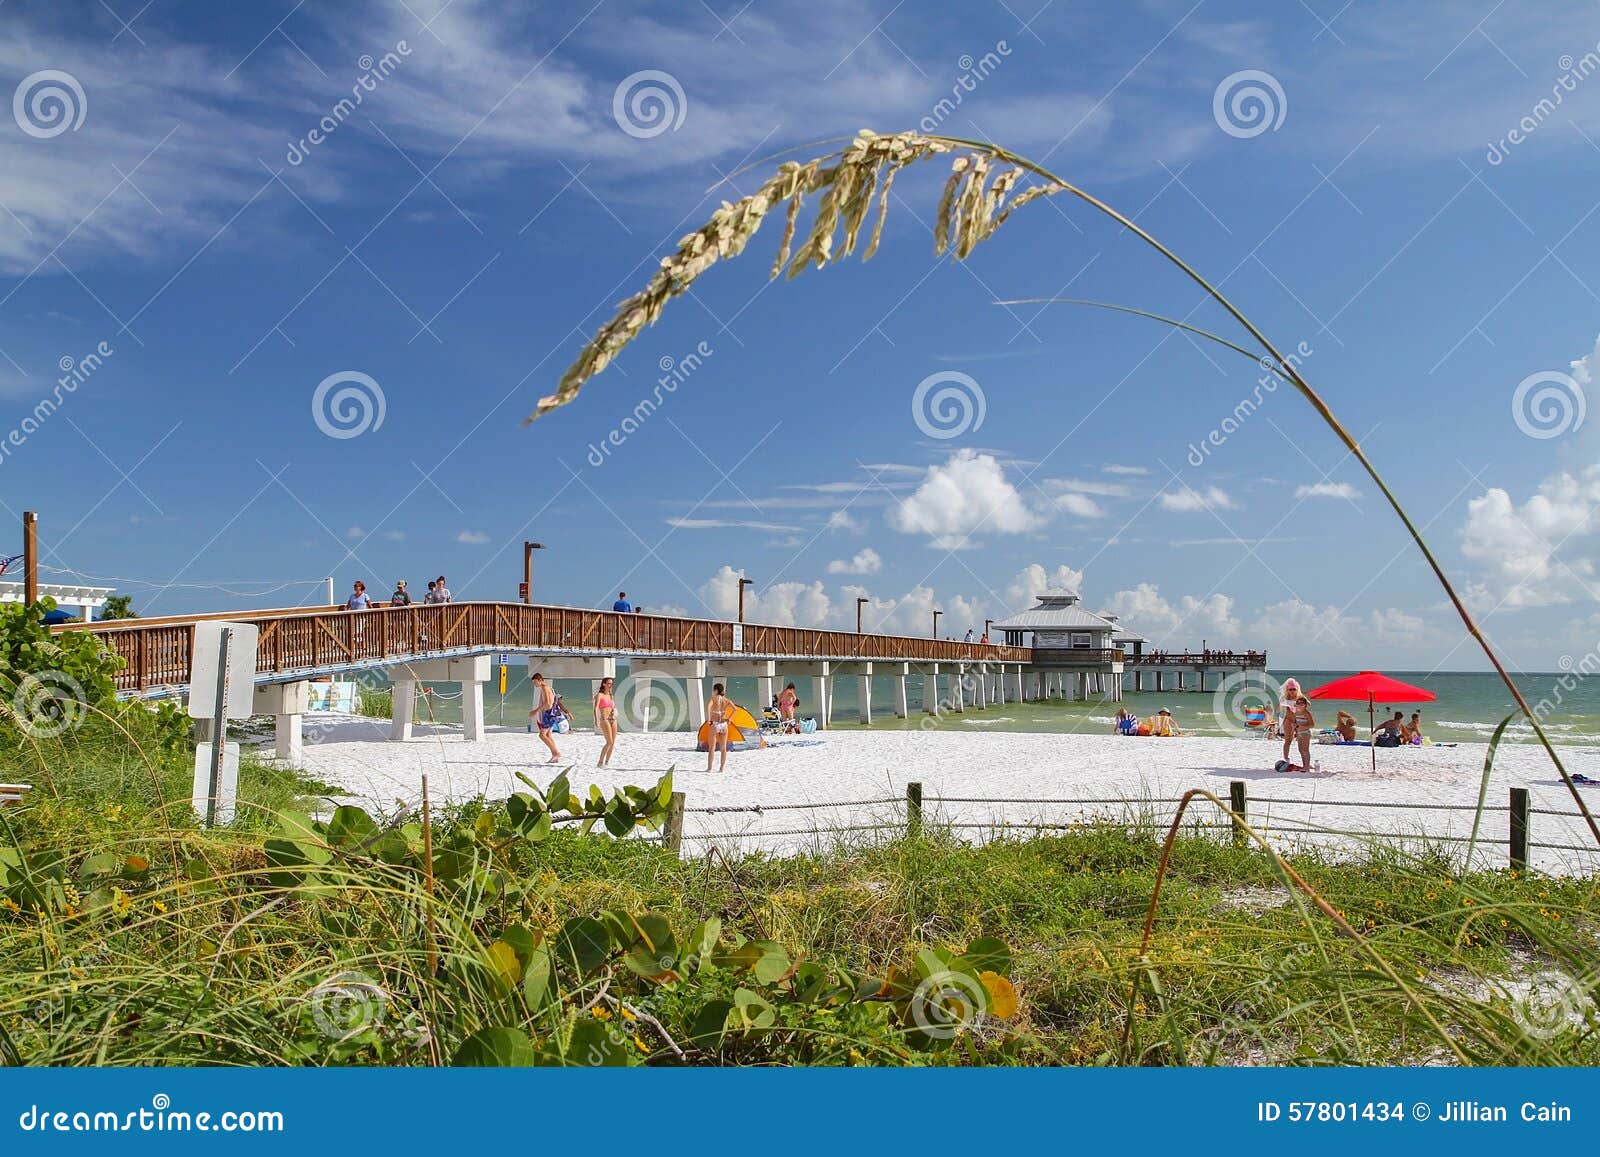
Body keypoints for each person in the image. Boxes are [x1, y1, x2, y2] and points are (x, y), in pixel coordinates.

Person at [528, 672, 562, 764]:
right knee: (548, 735)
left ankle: (556, 753)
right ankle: (555, 756)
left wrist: (535, 711)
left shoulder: (545, 688)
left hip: (549, 714)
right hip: (551, 713)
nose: (535, 685)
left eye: (535, 682)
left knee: (542, 735)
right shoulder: (547, 687)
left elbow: (548, 703)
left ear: (540, 680)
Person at [705, 682, 734, 773]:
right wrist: (729, 719)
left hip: (715, 724)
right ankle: (721, 768)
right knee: (723, 748)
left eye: (714, 690)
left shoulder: (713, 699)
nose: (713, 692)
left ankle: (710, 768)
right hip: (724, 725)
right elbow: (735, 709)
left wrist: (709, 719)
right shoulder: (727, 700)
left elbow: (708, 707)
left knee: (712, 748)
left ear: (716, 690)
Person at [1286, 691, 1315, 771]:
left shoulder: (1307, 713)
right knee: (1300, 749)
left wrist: (1302, 727)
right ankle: (1305, 765)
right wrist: (1294, 725)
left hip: (1306, 733)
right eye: (1298, 703)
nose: (1300, 705)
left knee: (1305, 749)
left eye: (1302, 704)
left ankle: (1307, 766)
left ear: (1305, 705)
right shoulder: (1296, 713)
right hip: (1299, 733)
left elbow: (1312, 725)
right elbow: (1296, 722)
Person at [593, 676, 618, 768]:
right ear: (604, 684)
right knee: (609, 742)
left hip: (613, 719)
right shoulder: (600, 695)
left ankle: (607, 762)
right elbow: (595, 708)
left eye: (611, 684)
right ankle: (600, 762)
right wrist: (596, 720)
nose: (610, 685)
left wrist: (614, 711)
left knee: (613, 742)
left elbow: (612, 707)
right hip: (604, 719)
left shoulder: (611, 695)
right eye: (608, 683)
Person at [1277, 678, 1302, 763]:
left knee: (1301, 742)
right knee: (1288, 740)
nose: (1292, 691)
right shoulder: (1284, 698)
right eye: (1290, 689)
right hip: (1288, 720)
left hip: (1299, 720)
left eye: (1294, 689)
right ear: (1287, 690)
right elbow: (1280, 710)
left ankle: (1305, 762)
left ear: (1297, 689)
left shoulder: (1300, 698)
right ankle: (1286, 759)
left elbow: (1307, 706)